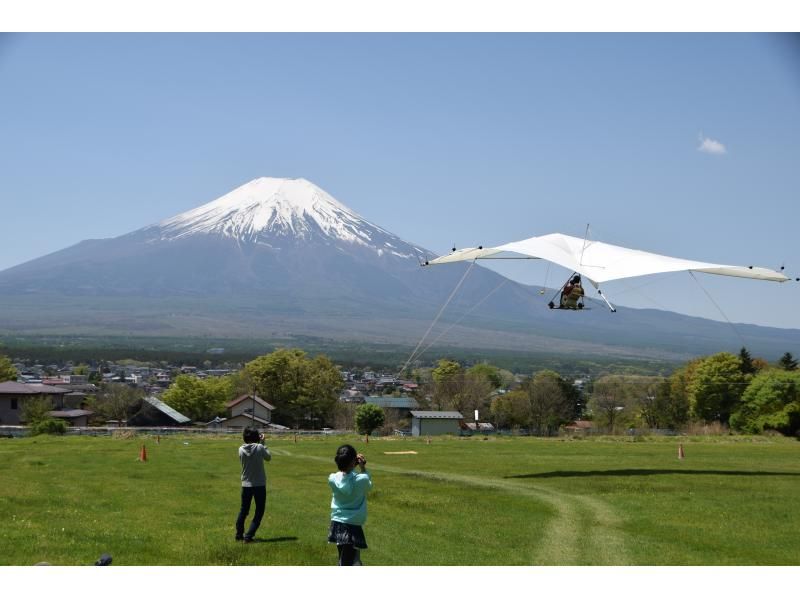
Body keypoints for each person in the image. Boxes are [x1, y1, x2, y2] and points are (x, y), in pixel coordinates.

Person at [328, 444, 372, 565]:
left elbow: (343, 476)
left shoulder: (332, 478)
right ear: (353, 462)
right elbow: (368, 484)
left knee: (348, 560)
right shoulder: (361, 479)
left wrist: (351, 465)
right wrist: (362, 468)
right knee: (348, 563)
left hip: (337, 523)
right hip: (352, 525)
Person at [235, 426, 271, 543]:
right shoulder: (260, 447)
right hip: (259, 484)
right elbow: (268, 457)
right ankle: (249, 536)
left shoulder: (240, 449)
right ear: (257, 437)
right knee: (259, 511)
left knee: (244, 510)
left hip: (246, 484)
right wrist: (263, 442)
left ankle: (239, 534)